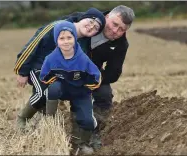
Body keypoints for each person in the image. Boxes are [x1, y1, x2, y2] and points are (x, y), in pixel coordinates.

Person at [14, 8, 105, 132]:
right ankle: (22, 118)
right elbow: (33, 45)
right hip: (38, 68)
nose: (90, 27)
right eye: (90, 21)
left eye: (95, 28)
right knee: (43, 92)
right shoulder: (57, 26)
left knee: (57, 92)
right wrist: (22, 71)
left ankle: (49, 120)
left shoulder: (85, 43)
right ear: (82, 18)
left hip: (60, 74)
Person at [60, 5, 135, 150]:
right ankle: (41, 118)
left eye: (121, 30)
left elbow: (113, 73)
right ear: (107, 17)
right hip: (62, 68)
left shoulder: (121, 44)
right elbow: (50, 34)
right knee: (50, 89)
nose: (115, 31)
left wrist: (90, 79)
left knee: (104, 94)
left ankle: (92, 133)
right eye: (114, 24)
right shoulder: (85, 21)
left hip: (91, 74)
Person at [40, 21, 101, 155]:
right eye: (62, 38)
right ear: (56, 40)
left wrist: (86, 89)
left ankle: (82, 143)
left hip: (80, 92)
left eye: (69, 37)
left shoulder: (83, 59)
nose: (66, 41)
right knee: (53, 88)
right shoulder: (51, 58)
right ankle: (50, 120)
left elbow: (96, 76)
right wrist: (57, 80)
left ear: (75, 38)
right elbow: (44, 76)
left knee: (87, 121)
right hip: (62, 90)